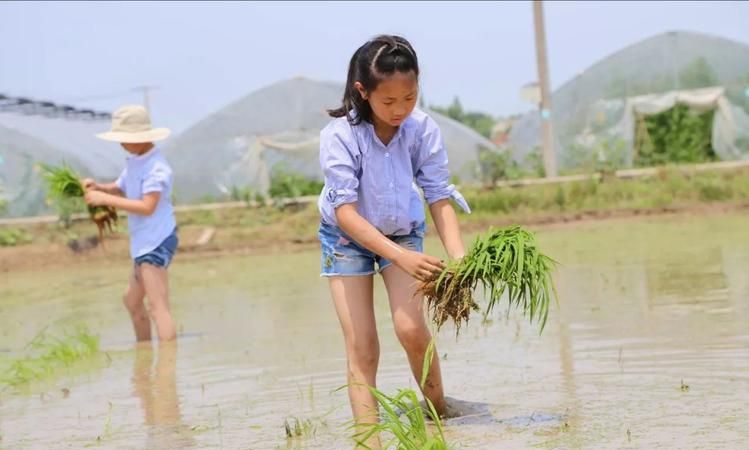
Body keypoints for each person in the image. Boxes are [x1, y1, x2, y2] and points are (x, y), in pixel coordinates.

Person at [317, 34, 471, 447]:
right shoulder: (340, 136)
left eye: (410, 97)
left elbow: (438, 195)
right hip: (346, 239)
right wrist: (400, 258)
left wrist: (459, 259)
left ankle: (441, 418)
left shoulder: (421, 129)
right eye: (389, 102)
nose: (400, 110)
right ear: (362, 92)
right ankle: (370, 439)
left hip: (402, 228)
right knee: (363, 344)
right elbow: (345, 213)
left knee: (411, 330)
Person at [85, 105, 178, 342]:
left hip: (156, 240)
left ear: (141, 138)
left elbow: (148, 206)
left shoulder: (157, 168)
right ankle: (144, 353)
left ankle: (166, 372)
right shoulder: (136, 161)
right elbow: (120, 187)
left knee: (158, 307)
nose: (121, 144)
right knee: (132, 301)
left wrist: (105, 199)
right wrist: (98, 188)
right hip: (144, 241)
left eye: (124, 139)